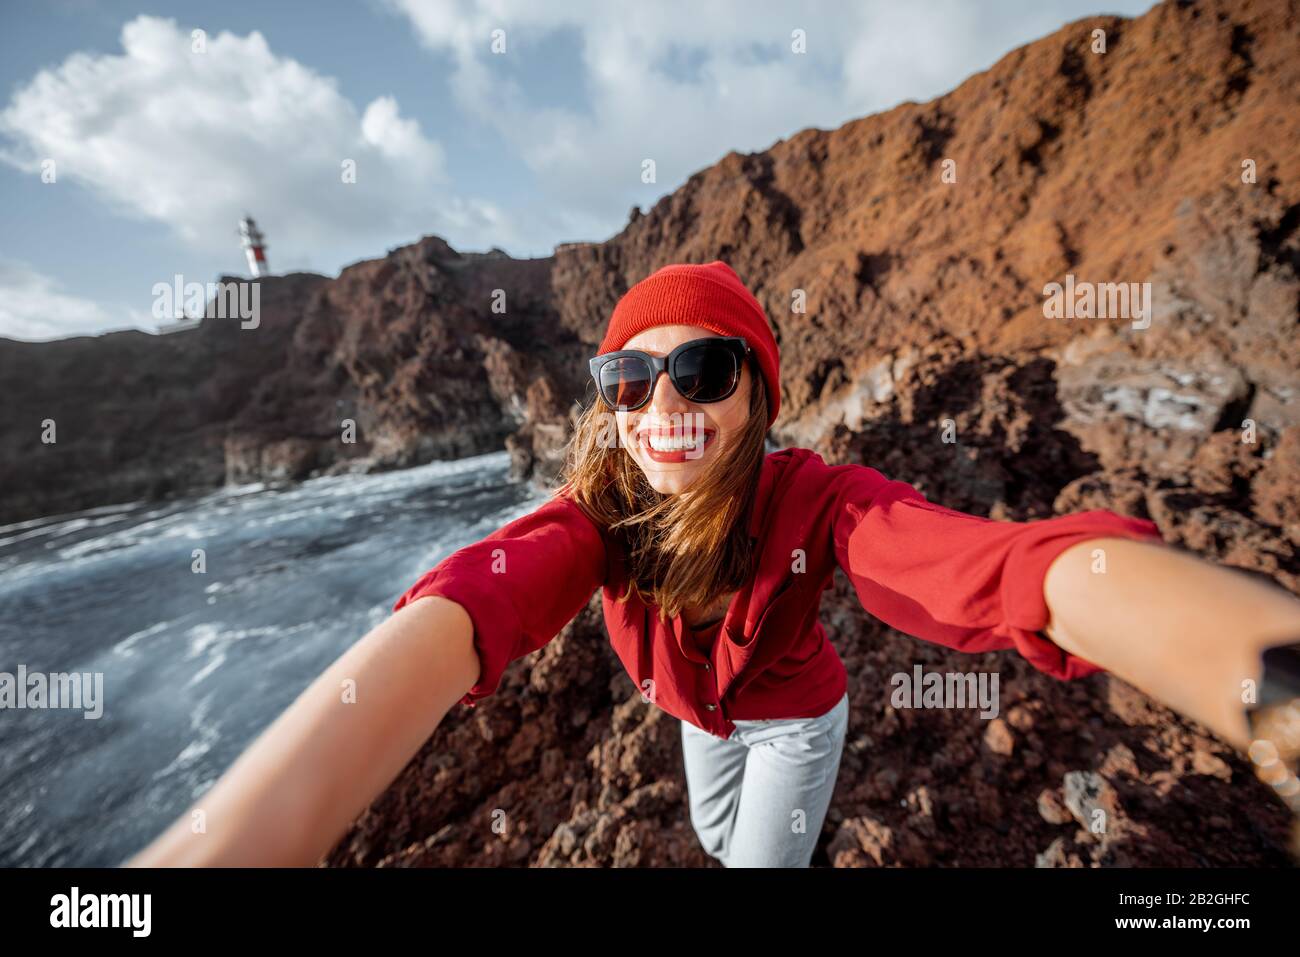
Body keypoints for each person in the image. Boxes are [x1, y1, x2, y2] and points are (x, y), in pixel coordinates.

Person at [126, 260, 1300, 868]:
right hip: (694, 718)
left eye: (704, 372)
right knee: (704, 836)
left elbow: (980, 569)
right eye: (631, 379)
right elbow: (474, 605)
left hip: (793, 722)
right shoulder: (597, 517)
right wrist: (239, 839)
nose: (663, 406)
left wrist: (1249, 671)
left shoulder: (814, 495)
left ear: (757, 392)